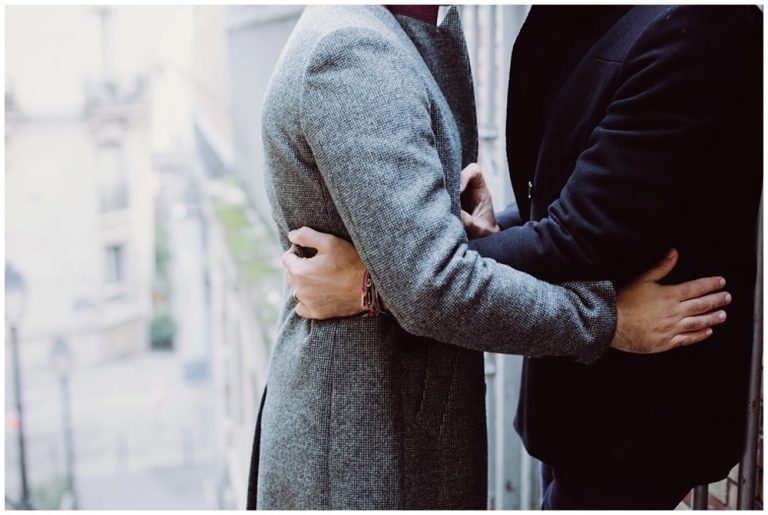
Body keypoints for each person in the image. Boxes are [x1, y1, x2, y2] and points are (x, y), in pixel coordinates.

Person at [249, 5, 733, 510]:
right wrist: (608, 321)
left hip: (394, 414)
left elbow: (426, 266)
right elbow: (431, 285)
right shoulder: (353, 52)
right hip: (363, 433)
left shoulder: (393, 32)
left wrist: (455, 245)